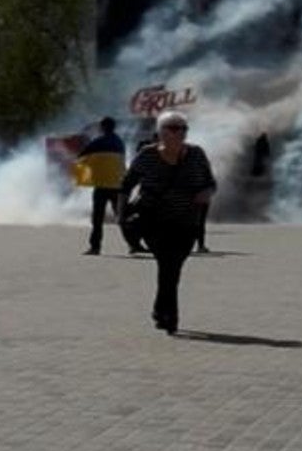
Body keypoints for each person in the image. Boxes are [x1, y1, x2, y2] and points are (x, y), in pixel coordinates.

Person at [118, 111, 216, 335]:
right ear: (160, 133)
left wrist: (206, 193)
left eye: (183, 128)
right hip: (154, 222)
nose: (179, 133)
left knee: (172, 268)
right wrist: (122, 216)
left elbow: (211, 183)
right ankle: (171, 317)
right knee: (168, 265)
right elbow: (126, 185)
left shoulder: (196, 154)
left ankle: (160, 308)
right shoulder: (147, 156)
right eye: (173, 128)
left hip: (187, 223)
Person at [78, 117, 126, 256]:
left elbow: (82, 156)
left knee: (97, 218)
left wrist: (83, 175)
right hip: (117, 184)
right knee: (121, 216)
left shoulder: (98, 141)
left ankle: (95, 247)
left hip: (102, 185)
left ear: (102, 127)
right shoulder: (120, 142)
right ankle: (134, 243)